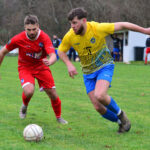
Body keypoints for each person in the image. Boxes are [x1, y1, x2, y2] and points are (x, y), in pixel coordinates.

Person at [58, 7, 150, 133]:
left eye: (75, 23)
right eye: (71, 23)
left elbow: (123, 25)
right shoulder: (70, 36)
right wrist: (69, 64)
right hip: (88, 72)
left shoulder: (97, 28)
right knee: (98, 107)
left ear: (84, 20)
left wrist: (144, 31)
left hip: (104, 66)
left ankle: (121, 115)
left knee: (100, 95)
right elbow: (61, 51)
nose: (72, 26)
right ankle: (121, 122)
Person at [0, 15, 68, 124]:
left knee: (53, 94)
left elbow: (53, 55)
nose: (31, 32)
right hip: (25, 67)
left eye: (34, 29)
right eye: (29, 30)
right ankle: (24, 106)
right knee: (29, 91)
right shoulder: (18, 38)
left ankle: (59, 117)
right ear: (24, 28)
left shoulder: (44, 37)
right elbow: (2, 52)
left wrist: (50, 61)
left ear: (38, 27)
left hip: (41, 67)